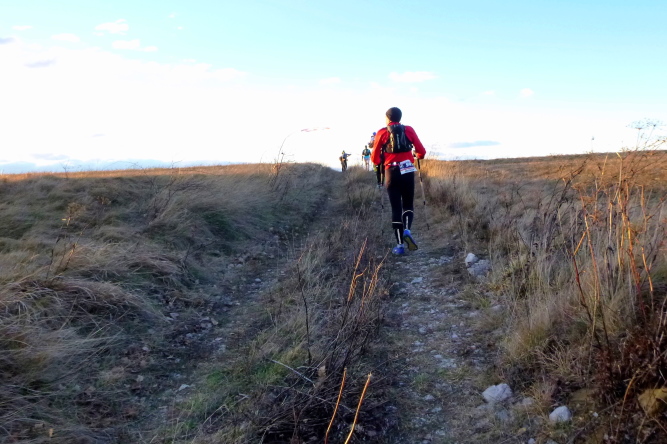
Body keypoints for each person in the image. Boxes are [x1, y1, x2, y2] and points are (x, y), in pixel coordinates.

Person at [371, 107, 426, 255]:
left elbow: (374, 159)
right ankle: (407, 230)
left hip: (391, 171)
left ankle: (400, 246)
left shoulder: (382, 132)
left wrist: (381, 160)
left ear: (388, 118)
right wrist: (417, 155)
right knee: (408, 204)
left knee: (396, 208)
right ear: (399, 117)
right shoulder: (409, 130)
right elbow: (421, 152)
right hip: (407, 170)